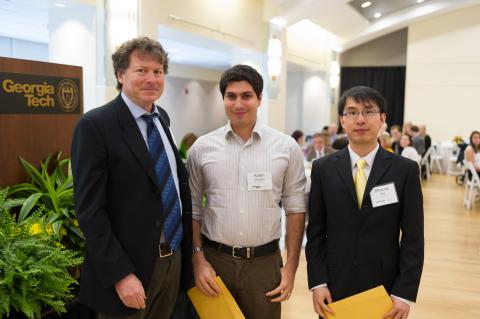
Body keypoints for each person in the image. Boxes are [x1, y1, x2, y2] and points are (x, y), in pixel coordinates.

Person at [71, 37, 193, 319]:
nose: (152, 78)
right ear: (120, 74)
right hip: (129, 270)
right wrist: (120, 274)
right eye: (141, 70)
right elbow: (90, 211)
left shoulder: (161, 117)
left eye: (158, 71)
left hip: (171, 260)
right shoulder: (95, 126)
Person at [187, 64, 307, 319]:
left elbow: (295, 209)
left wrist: (292, 266)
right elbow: (193, 209)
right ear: (223, 99)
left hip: (264, 265)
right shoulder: (202, 148)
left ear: (260, 99)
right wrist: (198, 261)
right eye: (231, 96)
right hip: (215, 261)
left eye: (246, 96)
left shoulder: (285, 147)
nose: (238, 103)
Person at [306, 86, 424, 319]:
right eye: (351, 112)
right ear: (342, 120)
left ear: (382, 119)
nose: (360, 119)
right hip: (334, 284)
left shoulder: (405, 170)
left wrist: (403, 293)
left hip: (385, 287)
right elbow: (316, 232)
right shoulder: (323, 168)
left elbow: (413, 238)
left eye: (368, 112)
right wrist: (317, 282)